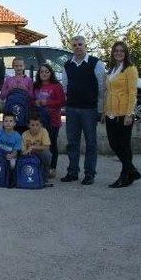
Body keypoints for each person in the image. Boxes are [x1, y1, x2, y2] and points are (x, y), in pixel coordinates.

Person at [60, 35, 106, 185]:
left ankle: (89, 174)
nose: (77, 47)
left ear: (85, 45)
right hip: (72, 109)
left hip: (89, 109)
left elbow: (101, 87)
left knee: (91, 143)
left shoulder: (96, 63)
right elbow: (66, 87)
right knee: (72, 142)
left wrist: (98, 107)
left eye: (80, 44)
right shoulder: (67, 65)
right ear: (71, 47)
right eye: (74, 45)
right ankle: (72, 172)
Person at [103, 41, 141, 188]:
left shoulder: (130, 69)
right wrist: (105, 111)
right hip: (111, 112)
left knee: (124, 146)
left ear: (126, 53)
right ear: (113, 53)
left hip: (124, 112)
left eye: (122, 51)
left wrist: (129, 113)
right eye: (116, 50)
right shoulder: (112, 69)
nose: (119, 53)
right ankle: (132, 171)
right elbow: (108, 91)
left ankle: (125, 176)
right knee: (114, 144)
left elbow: (132, 93)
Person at [33, 63, 66, 178]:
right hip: (38, 122)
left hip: (53, 120)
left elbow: (62, 102)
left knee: (51, 144)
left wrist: (46, 103)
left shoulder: (56, 86)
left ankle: (52, 167)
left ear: (51, 73)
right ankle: (41, 166)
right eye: (41, 71)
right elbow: (31, 100)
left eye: (47, 71)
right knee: (38, 143)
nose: (44, 74)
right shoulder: (35, 86)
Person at [0, 57, 34, 133]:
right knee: (9, 130)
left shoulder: (29, 80)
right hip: (10, 110)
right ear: (13, 66)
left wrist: (25, 89)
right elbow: (2, 96)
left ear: (24, 66)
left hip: (24, 110)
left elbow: (32, 97)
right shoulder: (8, 80)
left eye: (20, 66)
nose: (19, 68)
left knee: (23, 130)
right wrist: (10, 89)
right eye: (16, 66)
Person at [21, 113, 53, 180]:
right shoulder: (24, 134)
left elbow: (47, 147)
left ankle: (45, 174)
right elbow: (22, 150)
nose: (35, 127)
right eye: (32, 125)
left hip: (39, 151)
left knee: (47, 155)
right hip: (28, 153)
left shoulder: (44, 131)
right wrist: (25, 152)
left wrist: (33, 147)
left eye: (37, 125)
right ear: (28, 125)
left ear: (41, 125)